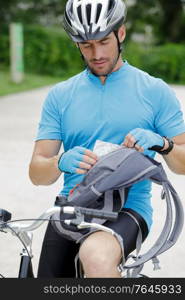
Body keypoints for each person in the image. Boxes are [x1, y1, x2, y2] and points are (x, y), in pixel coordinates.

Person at [29, 0, 185, 278]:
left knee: (96, 258)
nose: (96, 53)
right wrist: (61, 161)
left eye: (103, 41)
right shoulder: (61, 95)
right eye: (86, 45)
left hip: (127, 209)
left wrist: (163, 144)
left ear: (120, 34)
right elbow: (37, 173)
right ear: (76, 44)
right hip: (72, 204)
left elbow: (183, 163)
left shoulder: (154, 91)